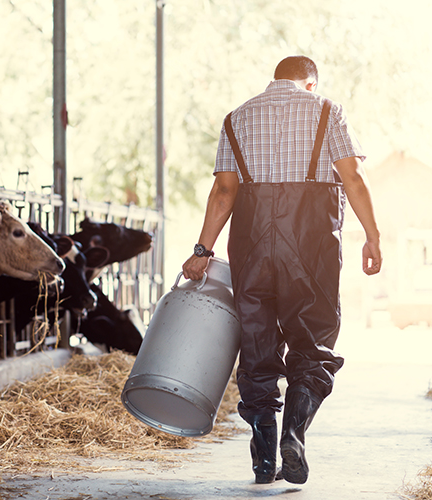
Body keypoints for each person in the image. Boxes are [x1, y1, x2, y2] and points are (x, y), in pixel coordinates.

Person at [181, 55, 382, 485]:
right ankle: (293, 433)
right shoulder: (327, 109)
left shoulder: (237, 118)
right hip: (310, 245)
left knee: (257, 345)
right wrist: (373, 235)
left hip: (251, 245)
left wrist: (203, 249)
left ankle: (262, 455)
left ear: (275, 80)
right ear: (311, 83)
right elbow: (354, 178)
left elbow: (223, 191)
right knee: (313, 341)